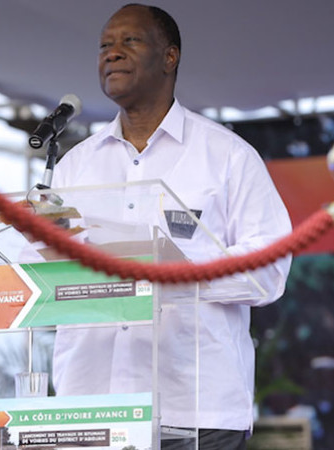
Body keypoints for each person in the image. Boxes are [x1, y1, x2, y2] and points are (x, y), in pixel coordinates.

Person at [49, 4, 292, 449]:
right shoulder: (73, 167)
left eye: (130, 41)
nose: (113, 54)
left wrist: (173, 270)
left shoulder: (227, 156)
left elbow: (270, 270)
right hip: (90, 405)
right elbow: (34, 273)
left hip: (197, 408)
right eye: (105, 45)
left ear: (170, 57)